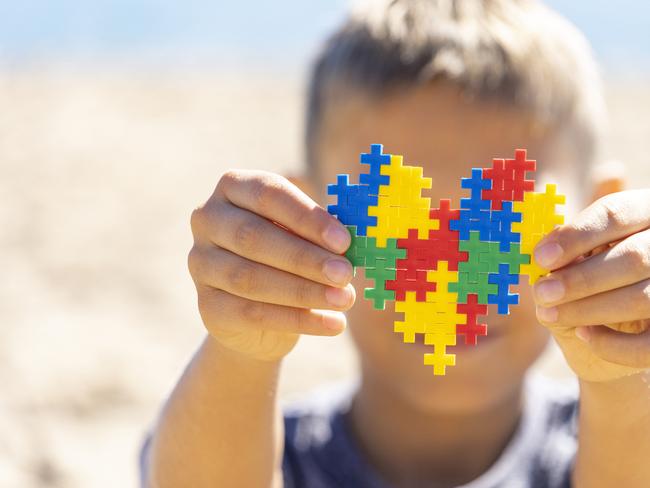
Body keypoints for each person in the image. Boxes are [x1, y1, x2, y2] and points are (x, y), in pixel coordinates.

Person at [140, 1, 650, 486]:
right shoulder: (254, 439)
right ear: (302, 222)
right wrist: (241, 352)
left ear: (595, 216)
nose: (447, 281)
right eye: (396, 229)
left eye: (500, 229)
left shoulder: (609, 434)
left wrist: (617, 373)